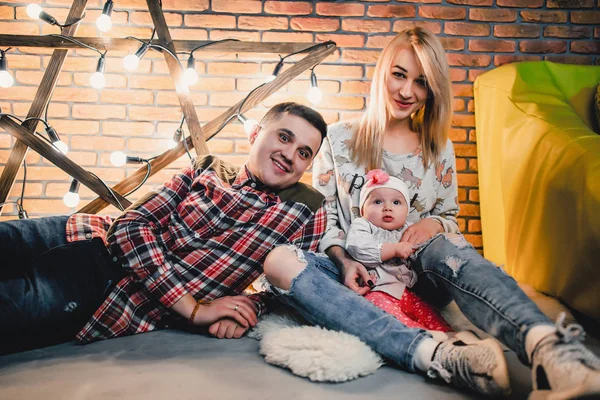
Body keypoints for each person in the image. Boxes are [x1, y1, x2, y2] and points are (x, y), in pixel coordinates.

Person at [262, 28, 600, 398]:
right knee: (280, 261)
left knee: (444, 244)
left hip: (420, 272)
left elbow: (450, 215)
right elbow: (327, 220)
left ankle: (550, 349)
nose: (407, 92)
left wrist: (433, 222)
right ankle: (438, 354)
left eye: (421, 82)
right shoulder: (338, 138)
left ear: (432, 89)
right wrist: (342, 262)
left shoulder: (438, 148)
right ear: (382, 73)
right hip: (357, 272)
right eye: (399, 75)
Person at [0, 102, 328, 355]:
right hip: (76, 232)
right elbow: (130, 225)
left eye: (303, 153)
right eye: (284, 137)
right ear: (256, 133)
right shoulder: (208, 168)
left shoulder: (305, 209)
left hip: (104, 291)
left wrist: (244, 310)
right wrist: (193, 308)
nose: (289, 155)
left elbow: (288, 289)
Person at [346, 169, 451, 336]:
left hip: (407, 291)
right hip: (378, 291)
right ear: (362, 210)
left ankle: (448, 337)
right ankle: (418, 338)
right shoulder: (363, 225)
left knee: (428, 312)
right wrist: (394, 249)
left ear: (406, 211)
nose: (387, 208)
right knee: (390, 317)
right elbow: (358, 249)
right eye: (377, 202)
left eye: (396, 203)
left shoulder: (408, 229)